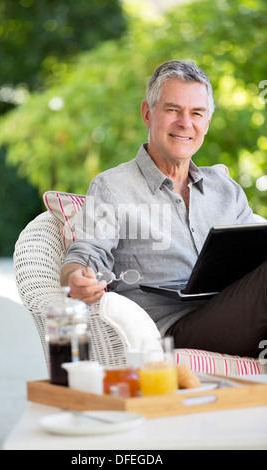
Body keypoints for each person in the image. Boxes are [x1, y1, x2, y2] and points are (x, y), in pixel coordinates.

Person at [60, 59, 267, 358]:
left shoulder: (225, 189)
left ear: (207, 122)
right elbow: (85, 255)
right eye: (173, 110)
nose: (186, 122)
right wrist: (76, 277)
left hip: (238, 316)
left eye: (197, 113)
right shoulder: (112, 187)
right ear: (147, 113)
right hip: (173, 331)